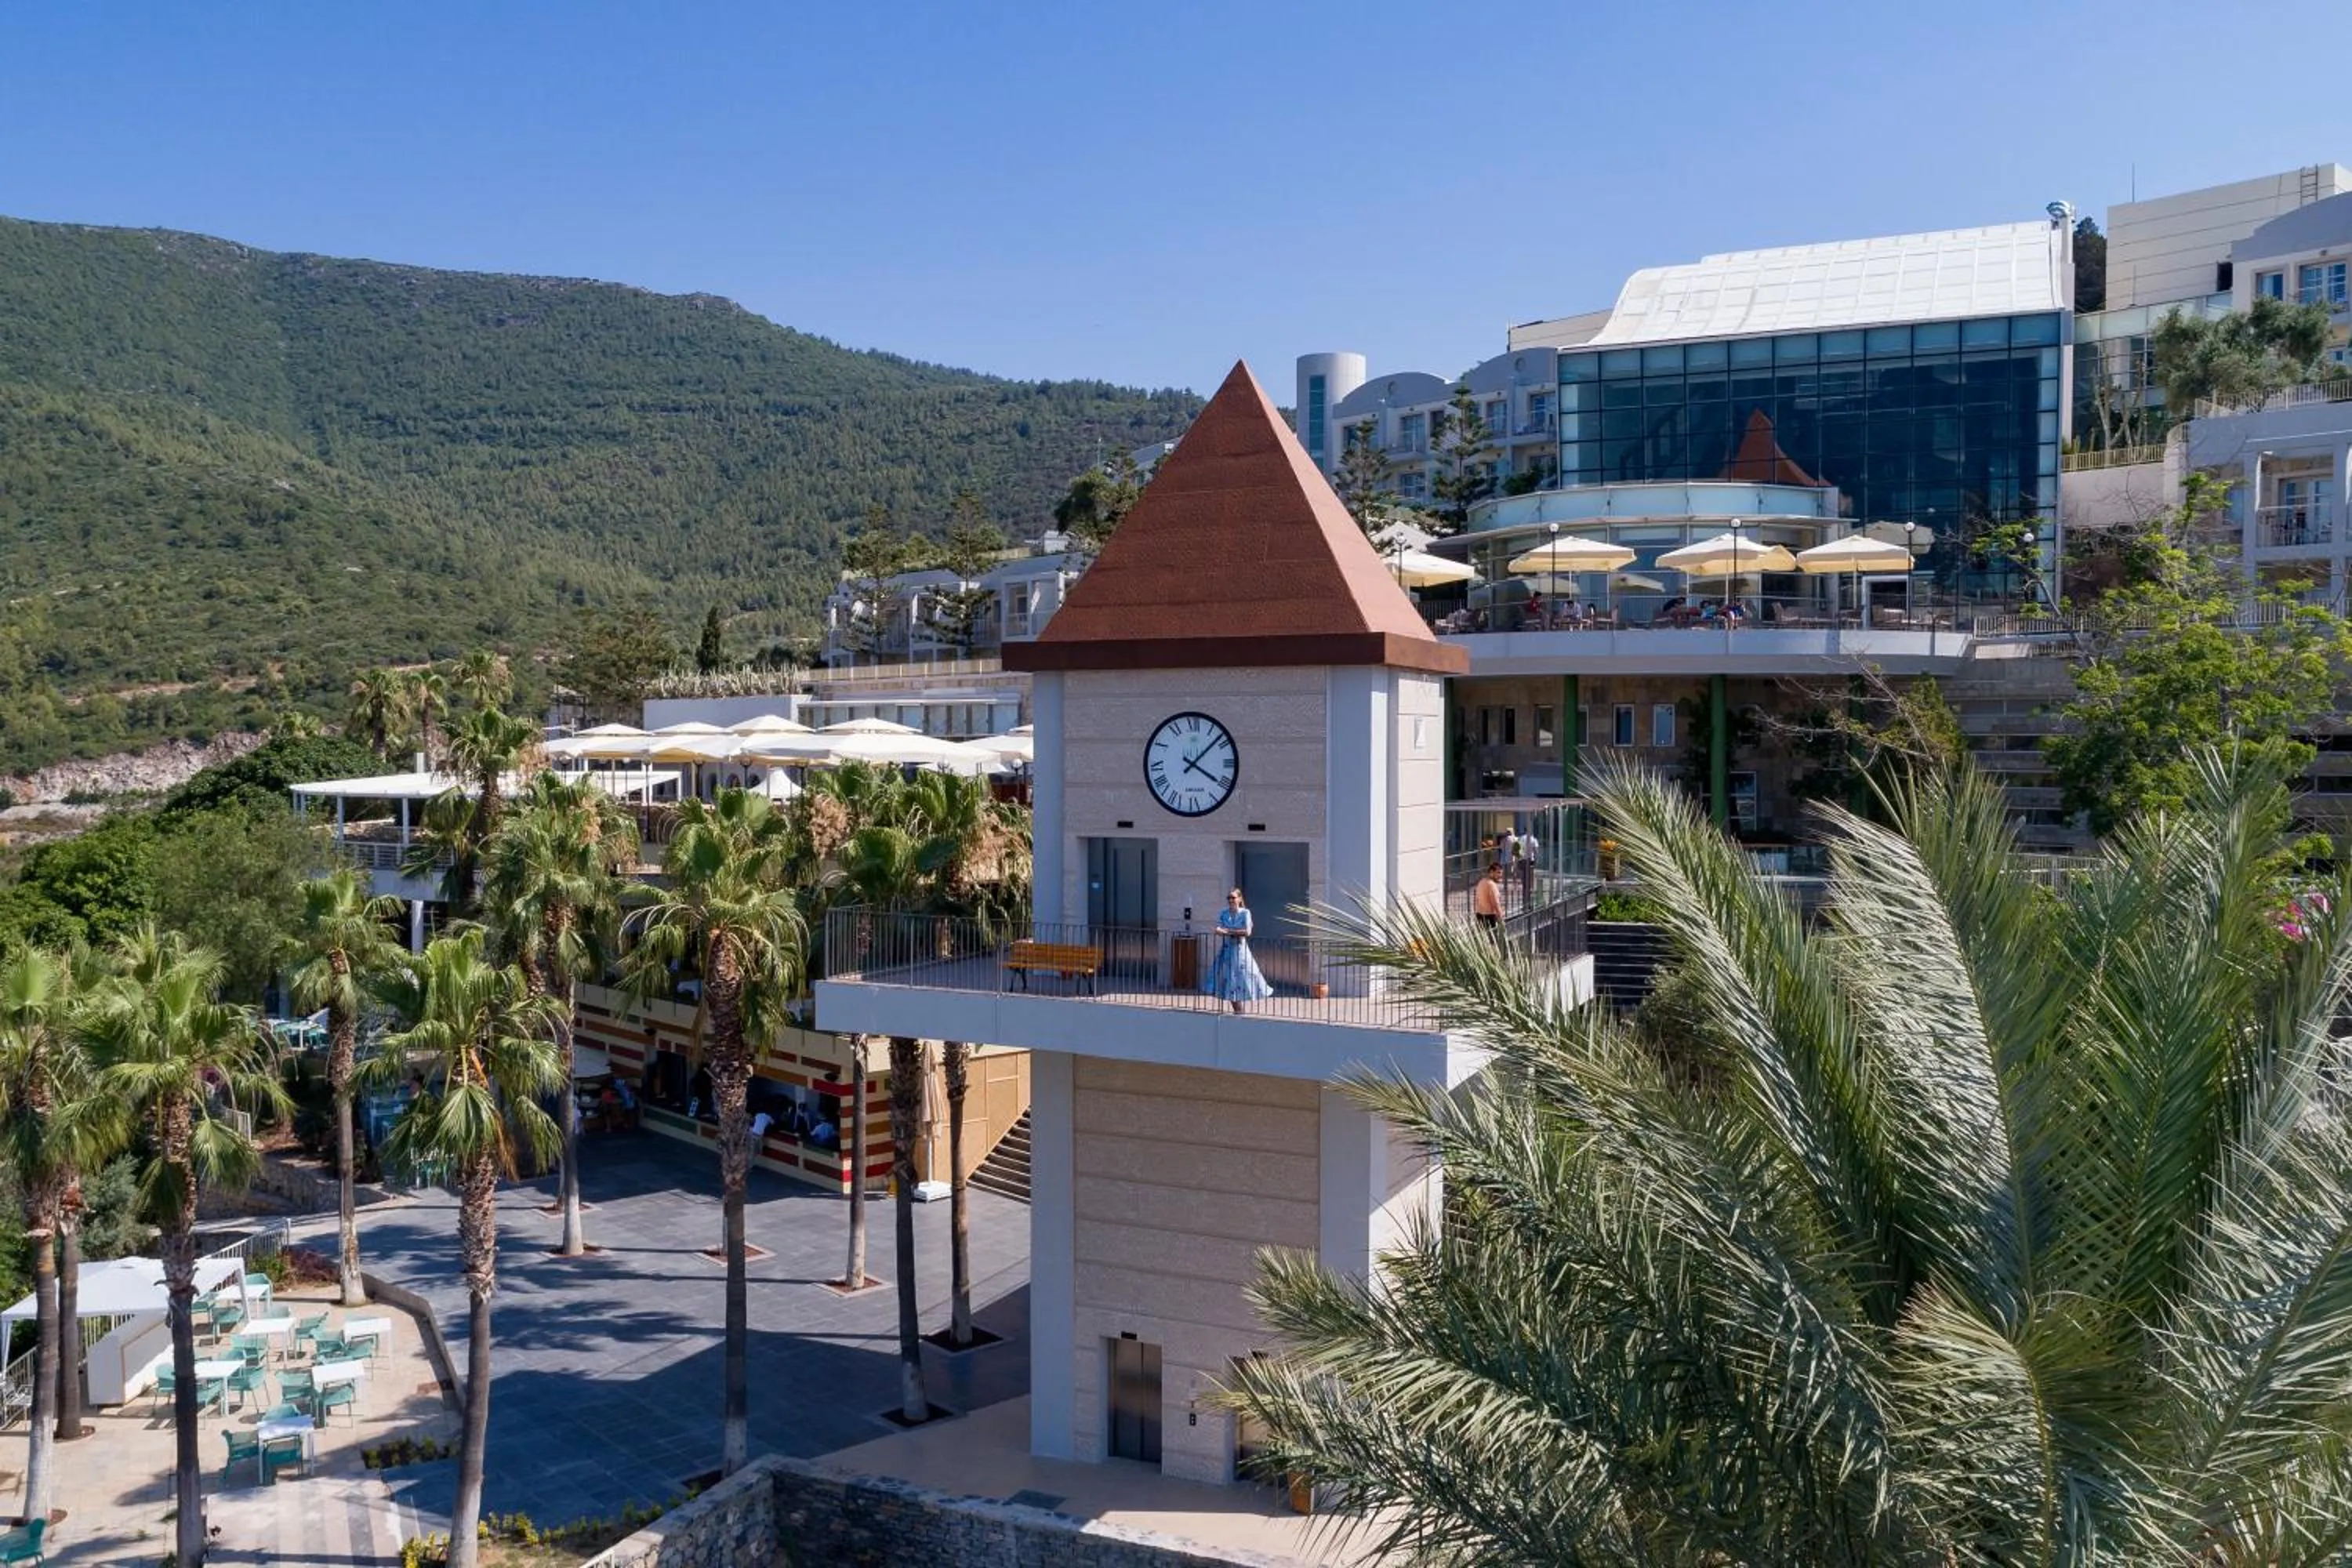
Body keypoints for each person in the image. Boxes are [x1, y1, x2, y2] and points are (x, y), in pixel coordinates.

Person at [1203, 887, 1274, 1014]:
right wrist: (1228, 932)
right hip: (1227, 950)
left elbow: (1247, 931)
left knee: (1247, 976)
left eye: (1233, 898)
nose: (1230, 900)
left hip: (1240, 951)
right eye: (1229, 898)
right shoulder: (1224, 912)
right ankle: (1238, 1009)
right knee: (1228, 978)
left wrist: (1228, 931)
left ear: (1239, 899)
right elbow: (1218, 928)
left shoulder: (1245, 913)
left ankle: (1241, 1008)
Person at [1474, 862, 1506, 929]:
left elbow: (1477, 900)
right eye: (1498, 873)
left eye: (1501, 873)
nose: (1501, 875)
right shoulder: (1491, 885)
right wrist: (1501, 916)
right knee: (1493, 938)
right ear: (1491, 872)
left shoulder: (1481, 882)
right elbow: (1495, 902)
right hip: (1489, 917)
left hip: (1479, 916)